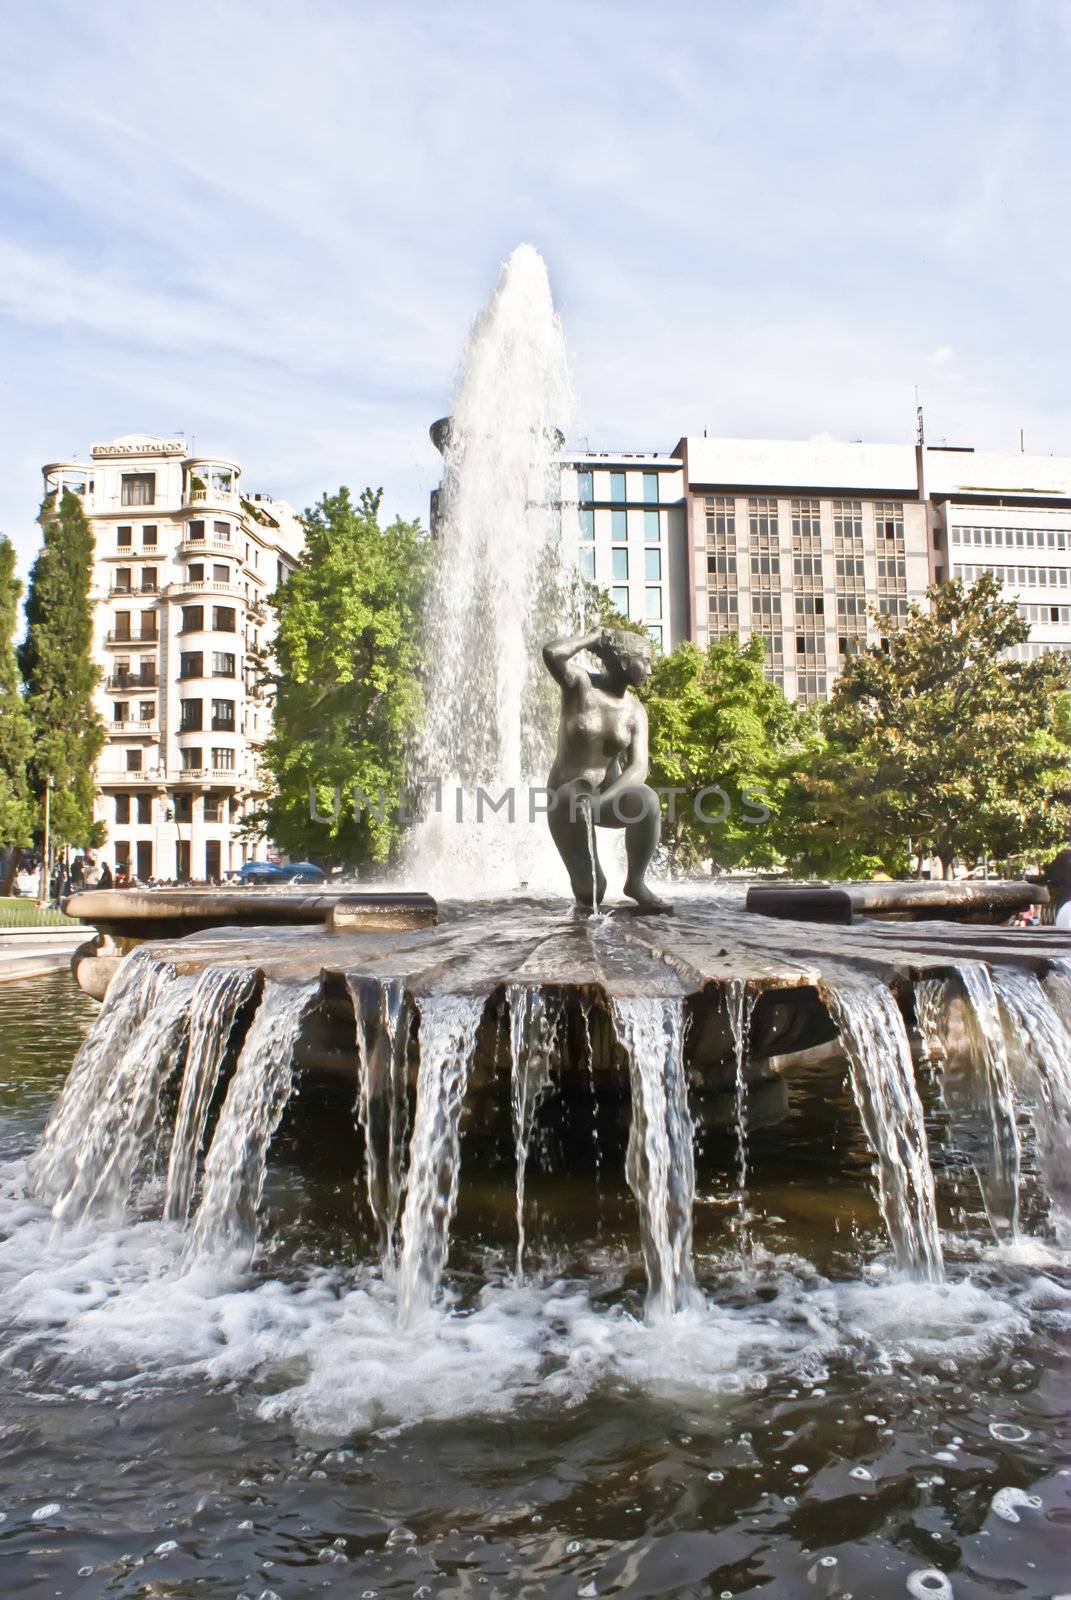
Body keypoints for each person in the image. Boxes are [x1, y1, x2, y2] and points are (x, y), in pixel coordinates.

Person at [542, 626, 670, 913]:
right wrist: (593, 637)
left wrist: (606, 798)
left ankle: (635, 882)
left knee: (647, 799)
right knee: (592, 894)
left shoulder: (636, 710)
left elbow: (639, 766)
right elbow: (551, 653)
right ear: (624, 662)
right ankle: (589, 888)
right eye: (645, 661)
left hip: (607, 799)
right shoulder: (580, 686)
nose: (650, 670)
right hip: (568, 801)